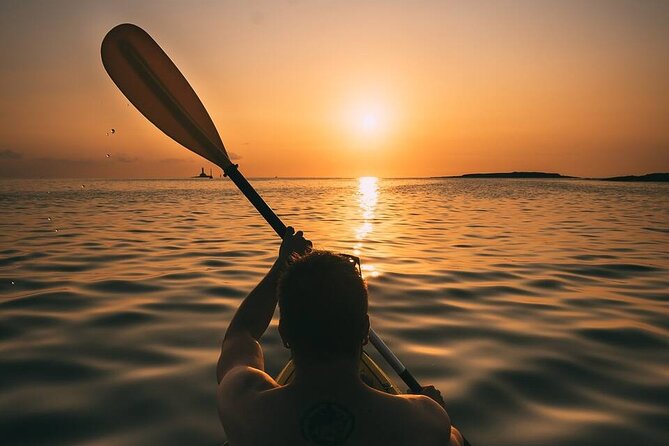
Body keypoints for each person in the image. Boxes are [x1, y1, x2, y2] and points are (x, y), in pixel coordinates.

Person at [217, 227, 465, 445]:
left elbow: (242, 333)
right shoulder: (424, 421)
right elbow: (454, 439)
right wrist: (435, 409)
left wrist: (281, 266)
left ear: (284, 333)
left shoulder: (242, 404)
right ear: (365, 330)